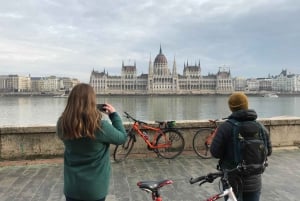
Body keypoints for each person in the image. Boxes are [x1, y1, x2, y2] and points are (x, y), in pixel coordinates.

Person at [56, 83, 127, 201]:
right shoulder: (100, 126)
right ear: (92, 102)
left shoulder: (62, 124)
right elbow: (122, 138)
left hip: (72, 188)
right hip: (95, 189)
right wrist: (114, 115)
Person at [210, 92, 272, 201]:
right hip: (254, 181)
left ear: (231, 108)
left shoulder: (225, 127)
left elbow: (215, 153)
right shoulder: (260, 127)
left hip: (231, 180)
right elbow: (269, 151)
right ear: (246, 105)